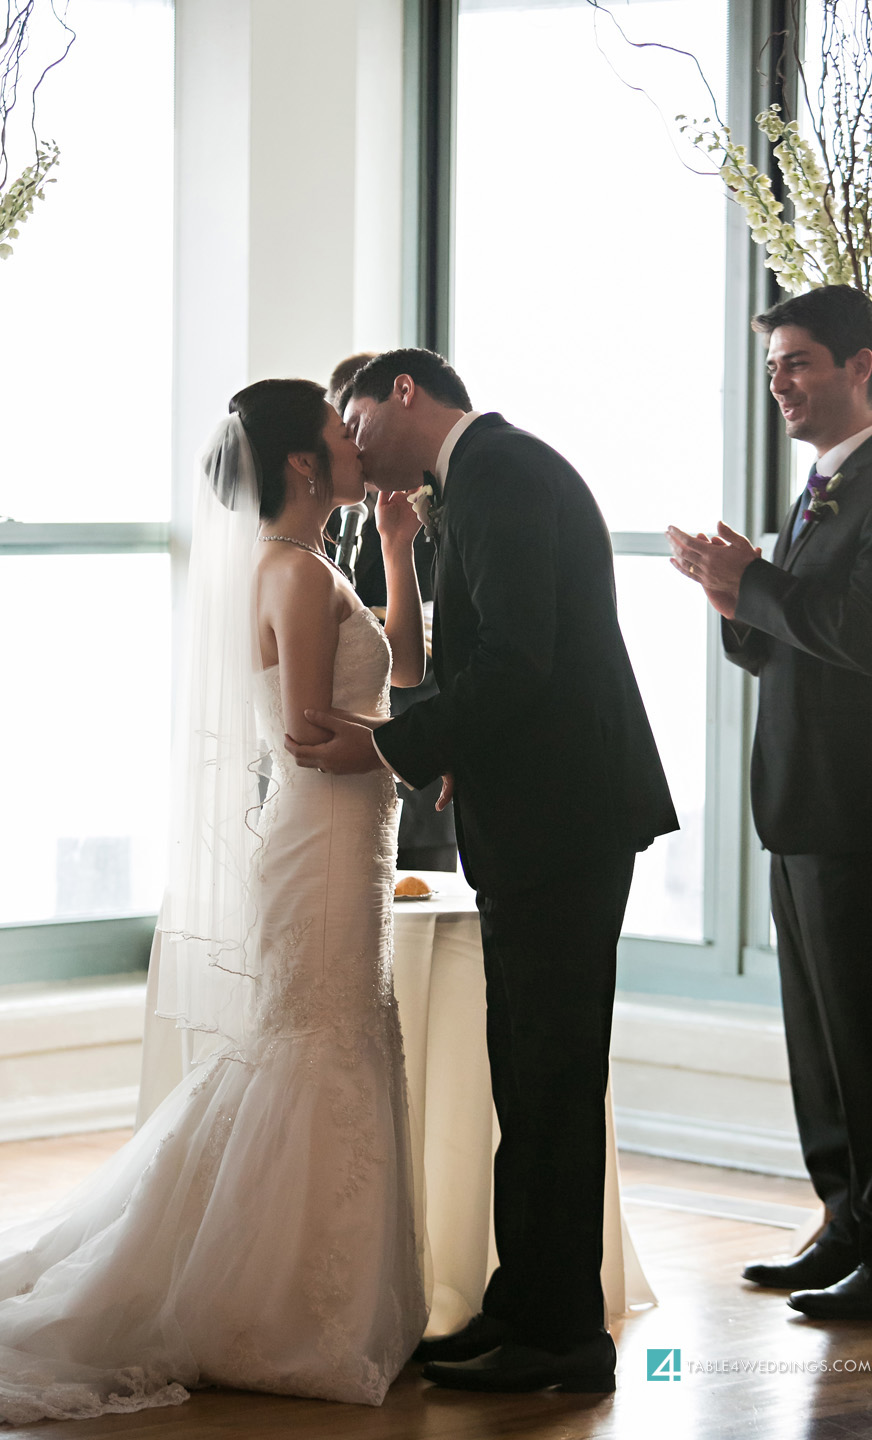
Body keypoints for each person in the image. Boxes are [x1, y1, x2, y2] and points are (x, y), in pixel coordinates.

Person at [0, 380, 429, 1422]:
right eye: (339, 434)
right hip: (326, 838)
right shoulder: (287, 572)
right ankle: (271, 1308)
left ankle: (308, 1294)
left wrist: (400, 550)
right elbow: (310, 738)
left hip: (350, 842)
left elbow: (406, 669)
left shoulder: (319, 565)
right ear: (296, 464)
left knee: (335, 1034)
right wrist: (425, 765)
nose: (355, 444)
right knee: (315, 1039)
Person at [286, 349, 678, 1393]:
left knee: (550, 1076)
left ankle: (565, 1340)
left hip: (565, 821)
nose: (353, 443)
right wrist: (458, 747)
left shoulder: (501, 474)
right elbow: (499, 664)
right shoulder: (483, 478)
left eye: (356, 419)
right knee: (530, 1074)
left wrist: (391, 748)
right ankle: (526, 1307)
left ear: (404, 393)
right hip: (542, 813)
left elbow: (519, 661)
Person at [668, 284, 872, 1323]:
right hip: (797, 806)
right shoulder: (817, 489)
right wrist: (731, 597)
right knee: (820, 1041)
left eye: (797, 361)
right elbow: (795, 646)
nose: (781, 382)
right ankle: (843, 1221)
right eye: (773, 365)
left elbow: (859, 633)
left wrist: (758, 583)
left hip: (855, 812)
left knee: (866, 1038)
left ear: (861, 367)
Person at [326, 351, 457, 872]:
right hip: (345, 759)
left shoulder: (417, 501)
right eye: (345, 435)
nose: (360, 449)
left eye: (358, 428)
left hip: (417, 734)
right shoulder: (296, 547)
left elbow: (417, 654)